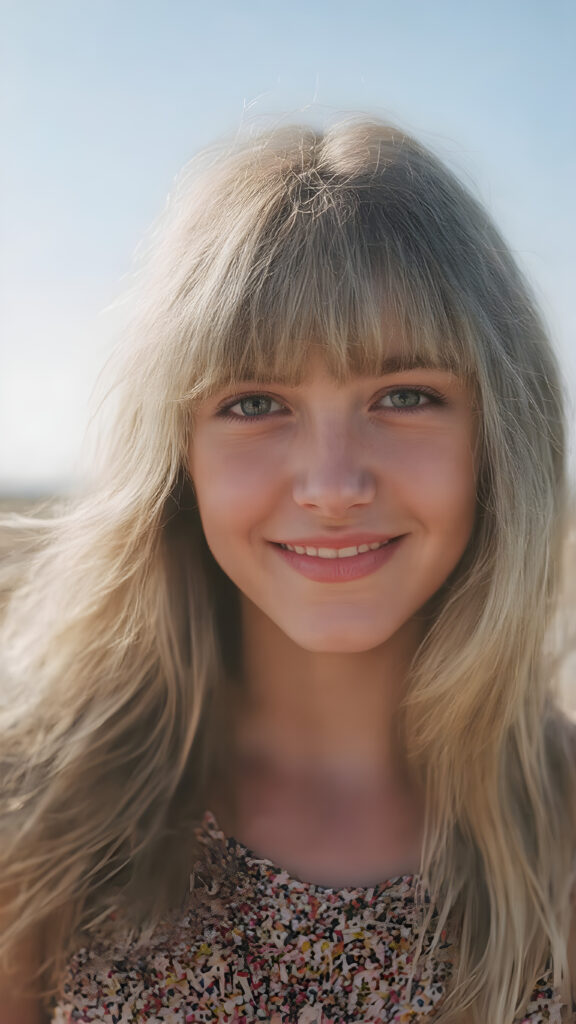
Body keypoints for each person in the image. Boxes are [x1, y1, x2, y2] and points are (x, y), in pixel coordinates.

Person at [0, 114, 574, 1024]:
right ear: (177, 453)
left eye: (406, 394)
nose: (333, 485)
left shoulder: (564, 836)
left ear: (502, 438)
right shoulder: (35, 822)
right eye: (256, 401)